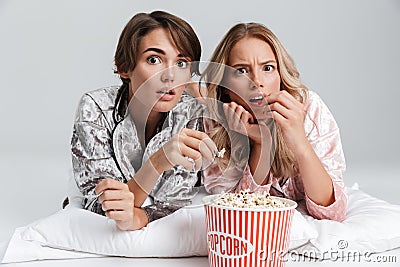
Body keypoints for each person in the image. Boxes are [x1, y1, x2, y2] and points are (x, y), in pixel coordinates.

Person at [70, 11, 217, 231]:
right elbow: (102, 207)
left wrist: (139, 217)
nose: (169, 76)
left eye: (181, 63)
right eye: (154, 59)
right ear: (124, 67)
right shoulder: (96, 109)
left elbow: (173, 204)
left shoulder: (191, 113)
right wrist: (157, 163)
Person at [201, 22, 347, 221]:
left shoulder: (309, 108)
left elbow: (331, 212)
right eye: (242, 71)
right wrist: (262, 143)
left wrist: (299, 141)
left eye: (268, 68)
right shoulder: (213, 123)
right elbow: (239, 215)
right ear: (225, 85)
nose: (257, 81)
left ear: (280, 75)